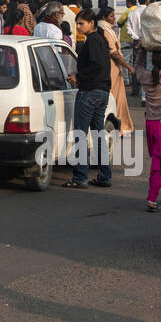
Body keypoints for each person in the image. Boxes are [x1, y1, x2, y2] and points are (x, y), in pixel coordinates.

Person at [62, 10, 115, 189]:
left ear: (91, 23)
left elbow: (96, 65)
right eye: (77, 24)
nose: (78, 27)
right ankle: (104, 175)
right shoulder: (99, 39)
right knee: (98, 134)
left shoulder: (92, 41)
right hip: (102, 91)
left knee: (81, 134)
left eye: (81, 23)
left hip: (90, 91)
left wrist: (79, 76)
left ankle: (80, 177)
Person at [130, 50, 161, 211]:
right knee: (160, 164)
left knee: (158, 160)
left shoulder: (145, 77)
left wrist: (142, 50)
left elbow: (137, 66)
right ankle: (153, 198)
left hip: (150, 123)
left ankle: (160, 196)